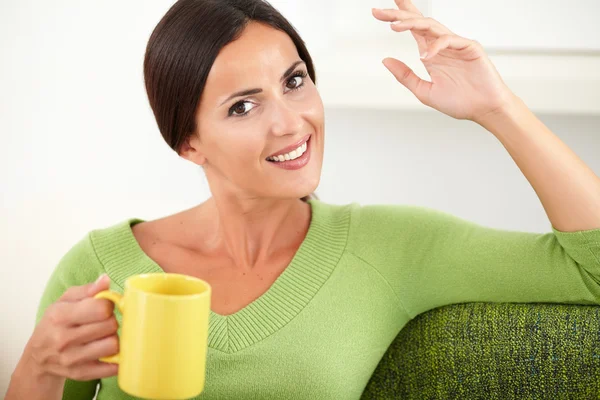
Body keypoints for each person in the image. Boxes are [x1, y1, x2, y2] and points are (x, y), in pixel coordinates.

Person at [6, 0, 600, 399]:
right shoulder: (101, 269)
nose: (291, 123)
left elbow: (592, 267)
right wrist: (38, 363)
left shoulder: (389, 248)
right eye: (243, 105)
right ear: (188, 142)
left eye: (294, 81)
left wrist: (499, 108)